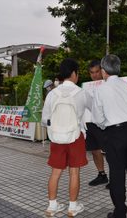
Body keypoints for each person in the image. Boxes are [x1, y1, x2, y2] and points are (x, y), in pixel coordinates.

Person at [92, 55, 127, 218]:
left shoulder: (100, 90)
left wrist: (107, 126)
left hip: (114, 133)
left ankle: (120, 211)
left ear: (103, 71)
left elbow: (98, 119)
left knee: (117, 172)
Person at [41, 58, 90, 217]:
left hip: (56, 138)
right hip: (75, 137)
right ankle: (72, 207)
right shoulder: (81, 93)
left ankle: (52, 206)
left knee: (55, 172)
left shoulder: (52, 94)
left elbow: (44, 119)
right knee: (74, 173)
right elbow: (92, 113)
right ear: (74, 73)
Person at [84, 60, 109, 188]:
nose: (94, 75)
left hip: (105, 122)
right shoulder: (87, 87)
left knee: (111, 151)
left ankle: (116, 177)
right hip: (90, 122)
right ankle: (102, 174)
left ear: (102, 70)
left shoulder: (109, 85)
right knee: (94, 150)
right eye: (91, 72)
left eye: (97, 71)